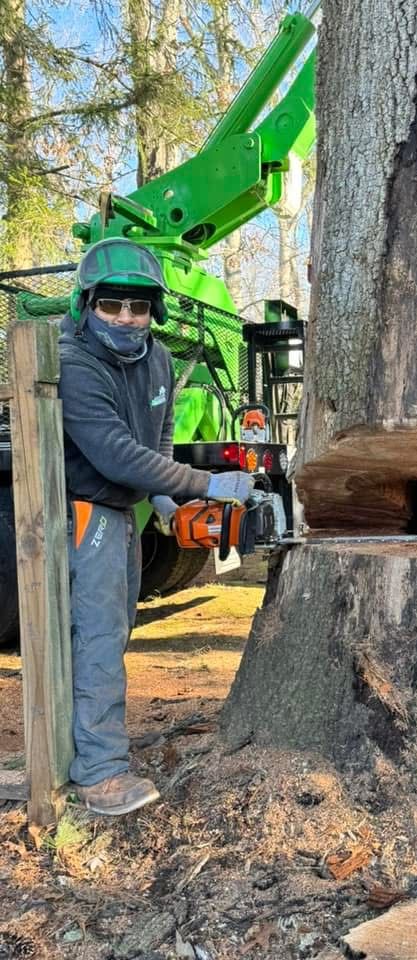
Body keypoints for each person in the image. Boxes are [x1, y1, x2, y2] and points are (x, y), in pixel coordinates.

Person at [58, 237, 252, 816]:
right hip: (86, 507)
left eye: (138, 307)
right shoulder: (76, 363)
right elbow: (115, 453)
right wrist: (206, 484)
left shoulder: (159, 360)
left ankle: (92, 746)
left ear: (154, 311)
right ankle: (99, 772)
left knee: (115, 631)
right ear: (86, 303)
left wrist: (167, 504)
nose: (125, 317)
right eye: (112, 304)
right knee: (96, 637)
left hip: (127, 511)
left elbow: (157, 441)